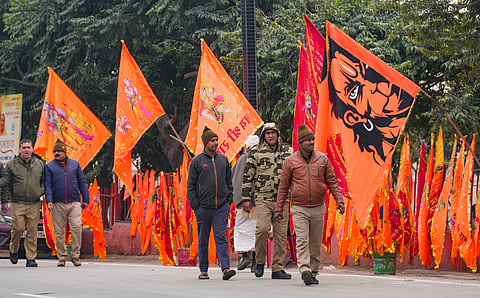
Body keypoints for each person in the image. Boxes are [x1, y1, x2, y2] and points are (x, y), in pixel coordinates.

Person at [275, 124, 345, 285]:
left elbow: (332, 181)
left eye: (312, 139)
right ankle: (304, 269)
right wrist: (279, 209)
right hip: (299, 208)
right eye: (308, 140)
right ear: (300, 142)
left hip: (319, 207)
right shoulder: (290, 162)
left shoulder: (322, 159)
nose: (311, 142)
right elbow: (283, 187)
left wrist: (339, 200)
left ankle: (312, 272)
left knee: (314, 242)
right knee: (302, 239)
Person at [242, 122, 293, 279]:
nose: (271, 135)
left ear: (277, 134)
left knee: (280, 234)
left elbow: (295, 173)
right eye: (267, 133)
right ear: (264, 136)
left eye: (273, 132)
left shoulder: (288, 151)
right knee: (262, 229)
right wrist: (245, 198)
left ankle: (277, 268)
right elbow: (247, 176)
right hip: (263, 198)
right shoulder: (256, 152)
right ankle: (259, 261)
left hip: (282, 200)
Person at [187, 126, 236, 280]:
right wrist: (196, 206)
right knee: (203, 239)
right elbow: (191, 186)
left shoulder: (223, 160)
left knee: (221, 237)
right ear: (206, 143)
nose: (216, 143)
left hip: (221, 207)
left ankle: (226, 269)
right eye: (213, 140)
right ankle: (203, 270)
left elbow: (229, 183)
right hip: (203, 209)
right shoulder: (197, 162)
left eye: (216, 140)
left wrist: (228, 202)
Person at [0, 139, 45, 267]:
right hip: (17, 202)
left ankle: (30, 258)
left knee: (32, 231)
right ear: (19, 149)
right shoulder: (11, 165)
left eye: (28, 147)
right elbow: (6, 185)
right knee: (18, 228)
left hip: (34, 203)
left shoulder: (39, 164)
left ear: (32, 149)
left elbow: (44, 182)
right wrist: (4, 202)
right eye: (24, 147)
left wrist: (39, 191)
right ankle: (13, 249)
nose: (26, 150)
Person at [45, 139, 89, 267]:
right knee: (59, 231)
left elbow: (82, 182)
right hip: (57, 203)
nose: (56, 153)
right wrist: (49, 200)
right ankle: (62, 257)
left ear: (65, 152)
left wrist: (85, 199)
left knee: (76, 228)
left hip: (74, 202)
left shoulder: (75, 165)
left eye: (59, 151)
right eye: (55, 151)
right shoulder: (49, 166)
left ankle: (75, 256)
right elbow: (48, 185)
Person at [233, 135, 259, 272]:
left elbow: (234, 180)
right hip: (255, 201)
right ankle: (254, 261)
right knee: (255, 231)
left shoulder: (241, 159)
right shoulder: (258, 158)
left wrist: (241, 199)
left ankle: (244, 256)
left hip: (243, 202)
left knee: (242, 229)